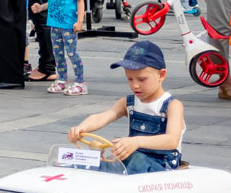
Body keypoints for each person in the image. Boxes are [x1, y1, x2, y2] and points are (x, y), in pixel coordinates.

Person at [69, 40, 186, 173]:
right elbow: (101, 117)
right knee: (91, 161)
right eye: (130, 79)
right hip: (134, 161)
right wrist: (80, 129)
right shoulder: (128, 102)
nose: (135, 85)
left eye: (142, 79)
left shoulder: (172, 105)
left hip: (162, 166)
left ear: (161, 75)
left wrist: (136, 142)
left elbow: (171, 140)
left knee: (134, 159)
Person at [45, 0, 87, 95]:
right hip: (54, 23)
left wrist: (80, 21)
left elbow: (80, 0)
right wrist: (42, 7)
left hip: (68, 24)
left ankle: (80, 82)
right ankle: (62, 79)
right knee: (58, 54)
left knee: (71, 53)